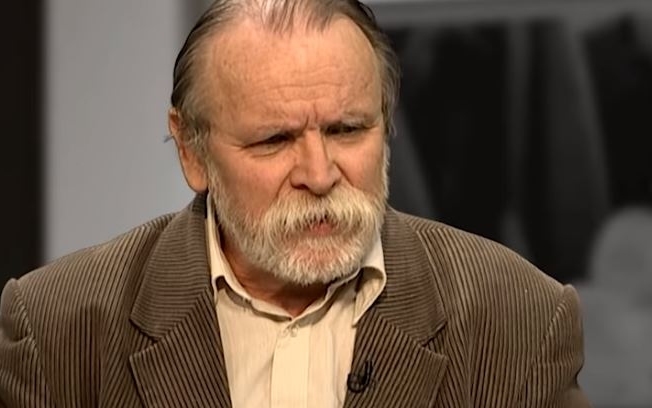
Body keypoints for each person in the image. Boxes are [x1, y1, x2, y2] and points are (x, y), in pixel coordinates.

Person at [0, 0, 589, 406]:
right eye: (275, 140)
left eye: (347, 130)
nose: (319, 174)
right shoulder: (58, 329)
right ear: (192, 151)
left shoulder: (518, 320)